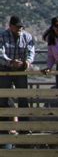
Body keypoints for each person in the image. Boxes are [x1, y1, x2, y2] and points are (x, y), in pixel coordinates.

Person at [0, 15, 35, 149]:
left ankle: (24, 128)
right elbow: (0, 53)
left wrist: (27, 62)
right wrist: (10, 62)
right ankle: (3, 128)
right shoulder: (2, 36)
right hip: (4, 69)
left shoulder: (27, 37)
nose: (20, 29)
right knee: (3, 98)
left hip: (20, 70)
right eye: (17, 26)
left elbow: (30, 52)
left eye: (21, 27)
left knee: (23, 98)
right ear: (11, 26)